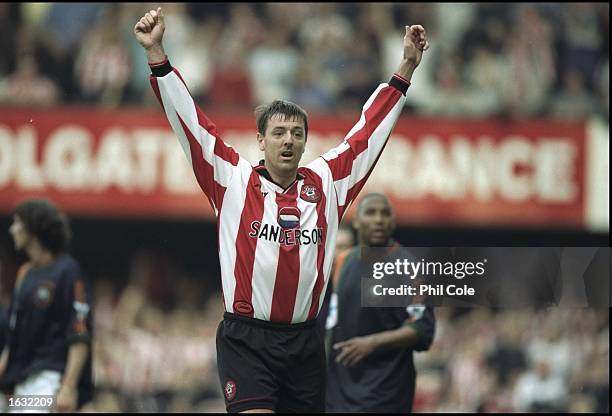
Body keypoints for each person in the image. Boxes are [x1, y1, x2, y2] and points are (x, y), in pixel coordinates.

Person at [134, 7, 428, 413]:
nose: (288, 140)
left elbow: (367, 136)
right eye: (278, 132)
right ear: (261, 139)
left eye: (296, 133)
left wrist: (406, 69)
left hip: (304, 342)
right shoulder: (232, 181)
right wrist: (157, 56)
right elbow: (192, 125)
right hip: (247, 340)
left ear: (306, 141)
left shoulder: (327, 183)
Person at [325, 193, 435, 413]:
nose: (378, 220)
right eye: (371, 213)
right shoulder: (342, 262)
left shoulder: (408, 268)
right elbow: (331, 321)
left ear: (393, 222)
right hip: (339, 391)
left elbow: (423, 329)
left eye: (385, 214)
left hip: (385, 393)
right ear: (356, 221)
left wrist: (372, 343)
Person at [0, 199, 93, 412]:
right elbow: (15, 331)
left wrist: (68, 388)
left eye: (17, 223)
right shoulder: (24, 274)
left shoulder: (69, 272)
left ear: (33, 227)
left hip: (48, 383)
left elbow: (79, 333)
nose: (12, 229)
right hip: (20, 383)